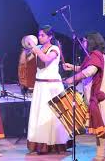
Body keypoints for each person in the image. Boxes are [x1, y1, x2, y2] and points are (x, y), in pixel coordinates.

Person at [63, 32, 105, 161]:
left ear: (91, 42)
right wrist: (73, 67)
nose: (84, 45)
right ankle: (101, 155)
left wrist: (71, 79)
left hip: (100, 97)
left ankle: (100, 156)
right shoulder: (103, 55)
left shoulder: (96, 55)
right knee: (102, 127)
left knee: (100, 126)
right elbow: (89, 68)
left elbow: (90, 71)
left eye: (85, 41)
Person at [25, 25, 70, 155]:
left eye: (42, 35)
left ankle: (56, 144)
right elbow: (28, 61)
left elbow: (45, 60)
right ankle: (40, 144)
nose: (39, 37)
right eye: (39, 35)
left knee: (52, 115)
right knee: (39, 115)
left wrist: (34, 48)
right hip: (40, 86)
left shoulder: (54, 48)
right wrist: (28, 51)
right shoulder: (38, 48)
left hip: (52, 87)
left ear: (50, 36)